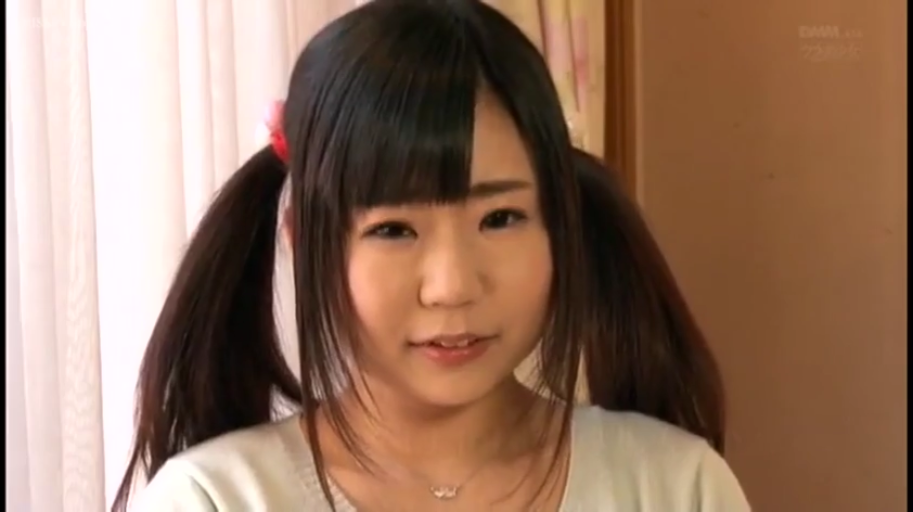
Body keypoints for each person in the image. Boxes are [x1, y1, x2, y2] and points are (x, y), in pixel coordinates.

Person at [113, 1, 751, 510]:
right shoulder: (214, 498)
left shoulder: (676, 487)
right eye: (394, 229)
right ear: (304, 240)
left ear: (561, 225)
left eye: (500, 219)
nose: (451, 286)